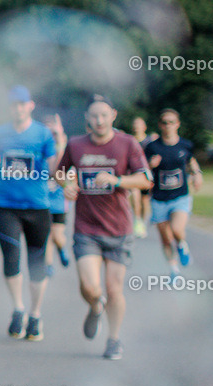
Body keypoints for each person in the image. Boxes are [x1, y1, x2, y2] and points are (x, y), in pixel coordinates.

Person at [58, 95, 152, 360]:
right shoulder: (76, 144)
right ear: (87, 118)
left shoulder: (127, 143)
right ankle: (95, 307)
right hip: (86, 229)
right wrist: (67, 185)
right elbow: (59, 172)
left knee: (114, 289)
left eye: (103, 115)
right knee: (91, 287)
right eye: (93, 116)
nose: (99, 121)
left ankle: (113, 339)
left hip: (119, 229)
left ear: (113, 115)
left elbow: (146, 180)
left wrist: (117, 179)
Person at [0, 86, 57, 341]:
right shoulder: (0, 132)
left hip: (37, 207)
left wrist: (59, 142)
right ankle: (18, 308)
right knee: (11, 260)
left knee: (37, 264)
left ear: (30, 105)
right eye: (13, 104)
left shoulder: (43, 133)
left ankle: (35, 314)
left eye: (21, 104)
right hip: (7, 206)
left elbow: (54, 168)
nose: (17, 108)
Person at [144, 109, 203, 279]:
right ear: (160, 125)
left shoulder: (185, 145)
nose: (168, 125)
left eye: (171, 122)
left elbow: (191, 161)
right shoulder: (152, 147)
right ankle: (173, 271)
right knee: (165, 238)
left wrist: (197, 174)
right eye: (165, 122)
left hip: (180, 197)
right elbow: (143, 170)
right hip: (159, 199)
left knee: (177, 230)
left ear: (177, 124)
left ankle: (183, 245)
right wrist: (150, 165)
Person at [41, 113, 71, 274]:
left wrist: (59, 133)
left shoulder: (61, 149)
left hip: (58, 199)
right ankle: (48, 265)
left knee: (57, 235)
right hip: (43, 200)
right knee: (47, 236)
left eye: (52, 132)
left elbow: (60, 165)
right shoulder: (39, 149)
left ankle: (61, 248)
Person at [129, 117, 156, 238]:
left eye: (139, 124)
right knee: (135, 198)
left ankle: (143, 222)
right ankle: (137, 220)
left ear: (144, 126)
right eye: (135, 124)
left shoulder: (150, 141)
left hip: (146, 175)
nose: (137, 127)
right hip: (134, 175)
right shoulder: (130, 141)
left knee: (145, 200)